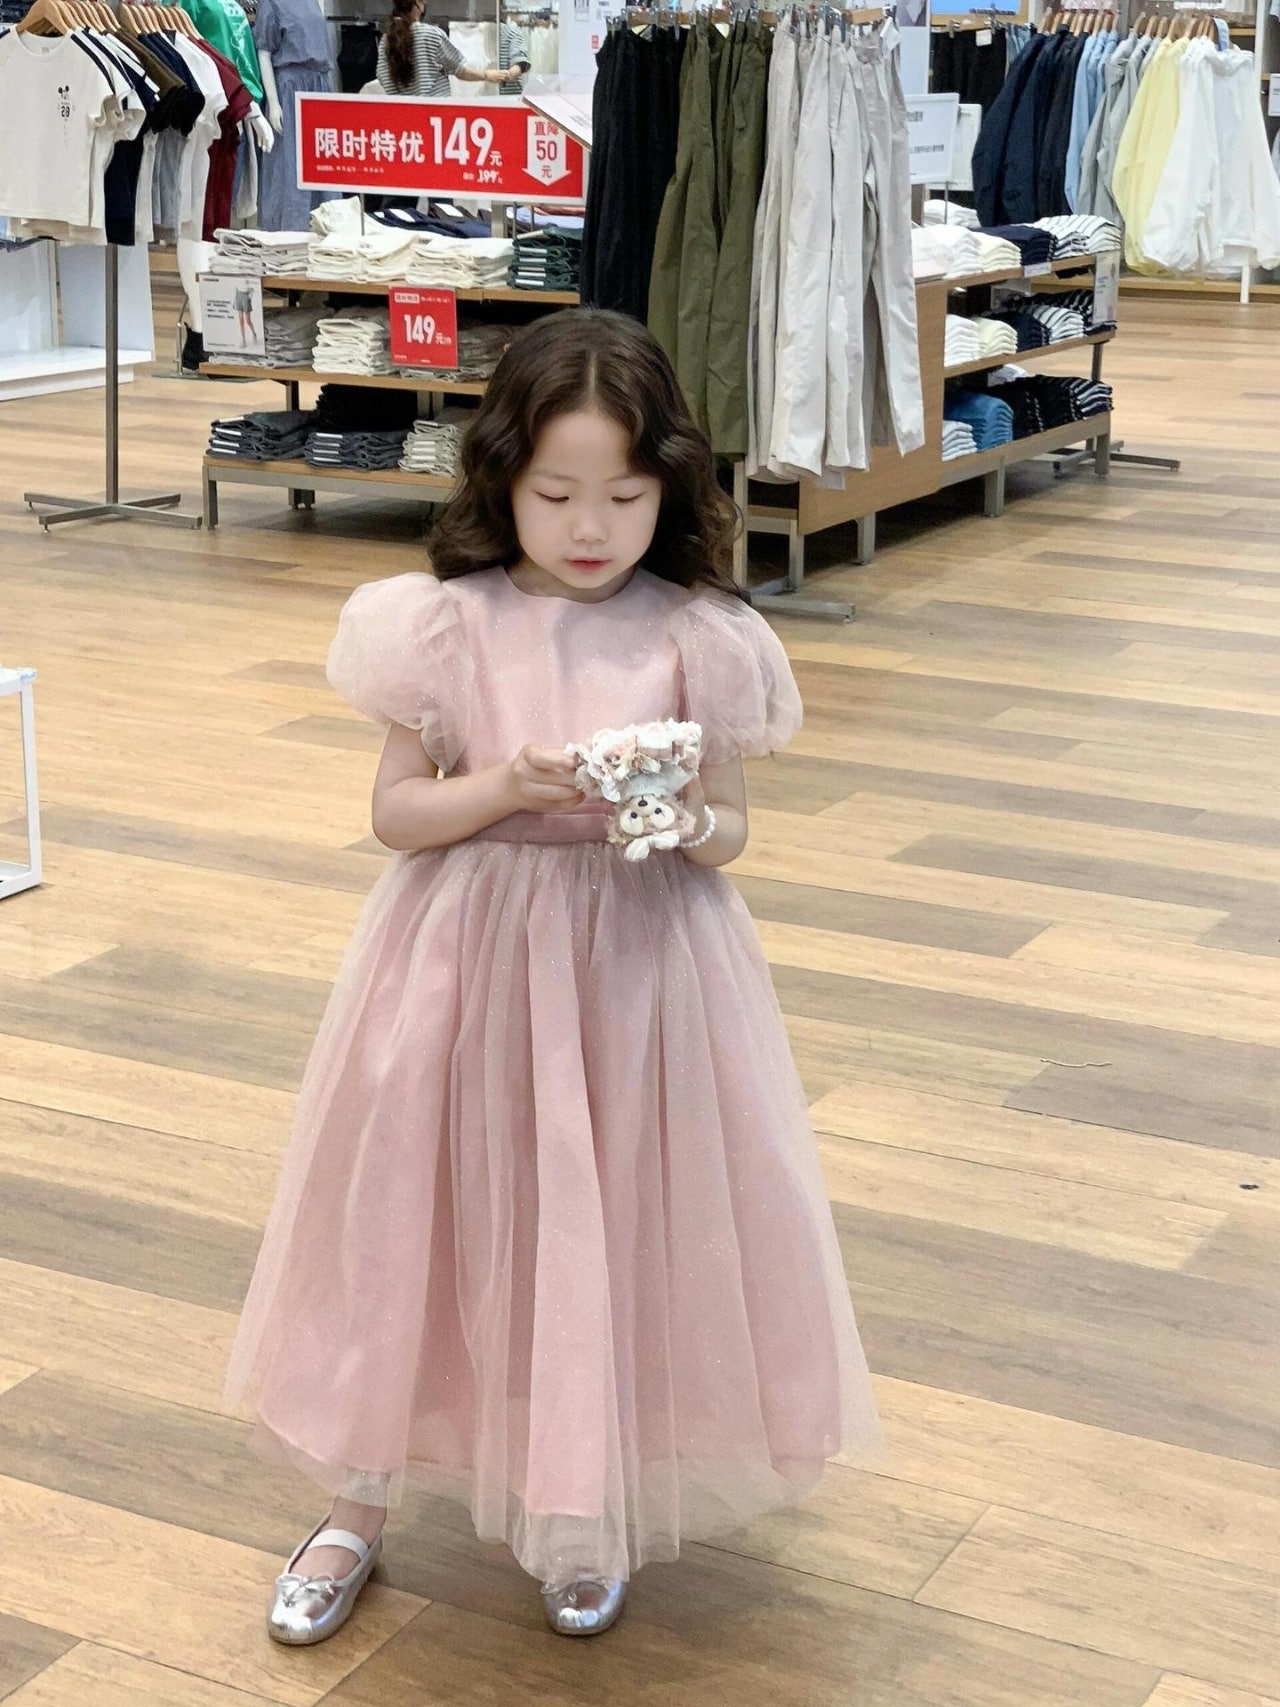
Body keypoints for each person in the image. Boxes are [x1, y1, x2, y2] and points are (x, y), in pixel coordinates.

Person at [221, 309, 884, 1645]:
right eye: (557, 493)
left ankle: (581, 1503)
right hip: (461, 959)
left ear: (668, 488)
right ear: (502, 479)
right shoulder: (440, 624)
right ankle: (355, 1499)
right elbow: (396, 816)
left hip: (639, 967)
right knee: (412, 1209)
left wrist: (684, 822)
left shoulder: (697, 631)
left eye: (625, 498)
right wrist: (500, 788)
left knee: (602, 1214)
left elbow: (730, 824)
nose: (591, 527)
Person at [376, 0, 519, 95]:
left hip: (402, 116)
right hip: (436, 115)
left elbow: (382, 76)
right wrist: (487, 75)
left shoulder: (387, 39)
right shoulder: (432, 34)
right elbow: (460, 70)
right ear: (418, 3)